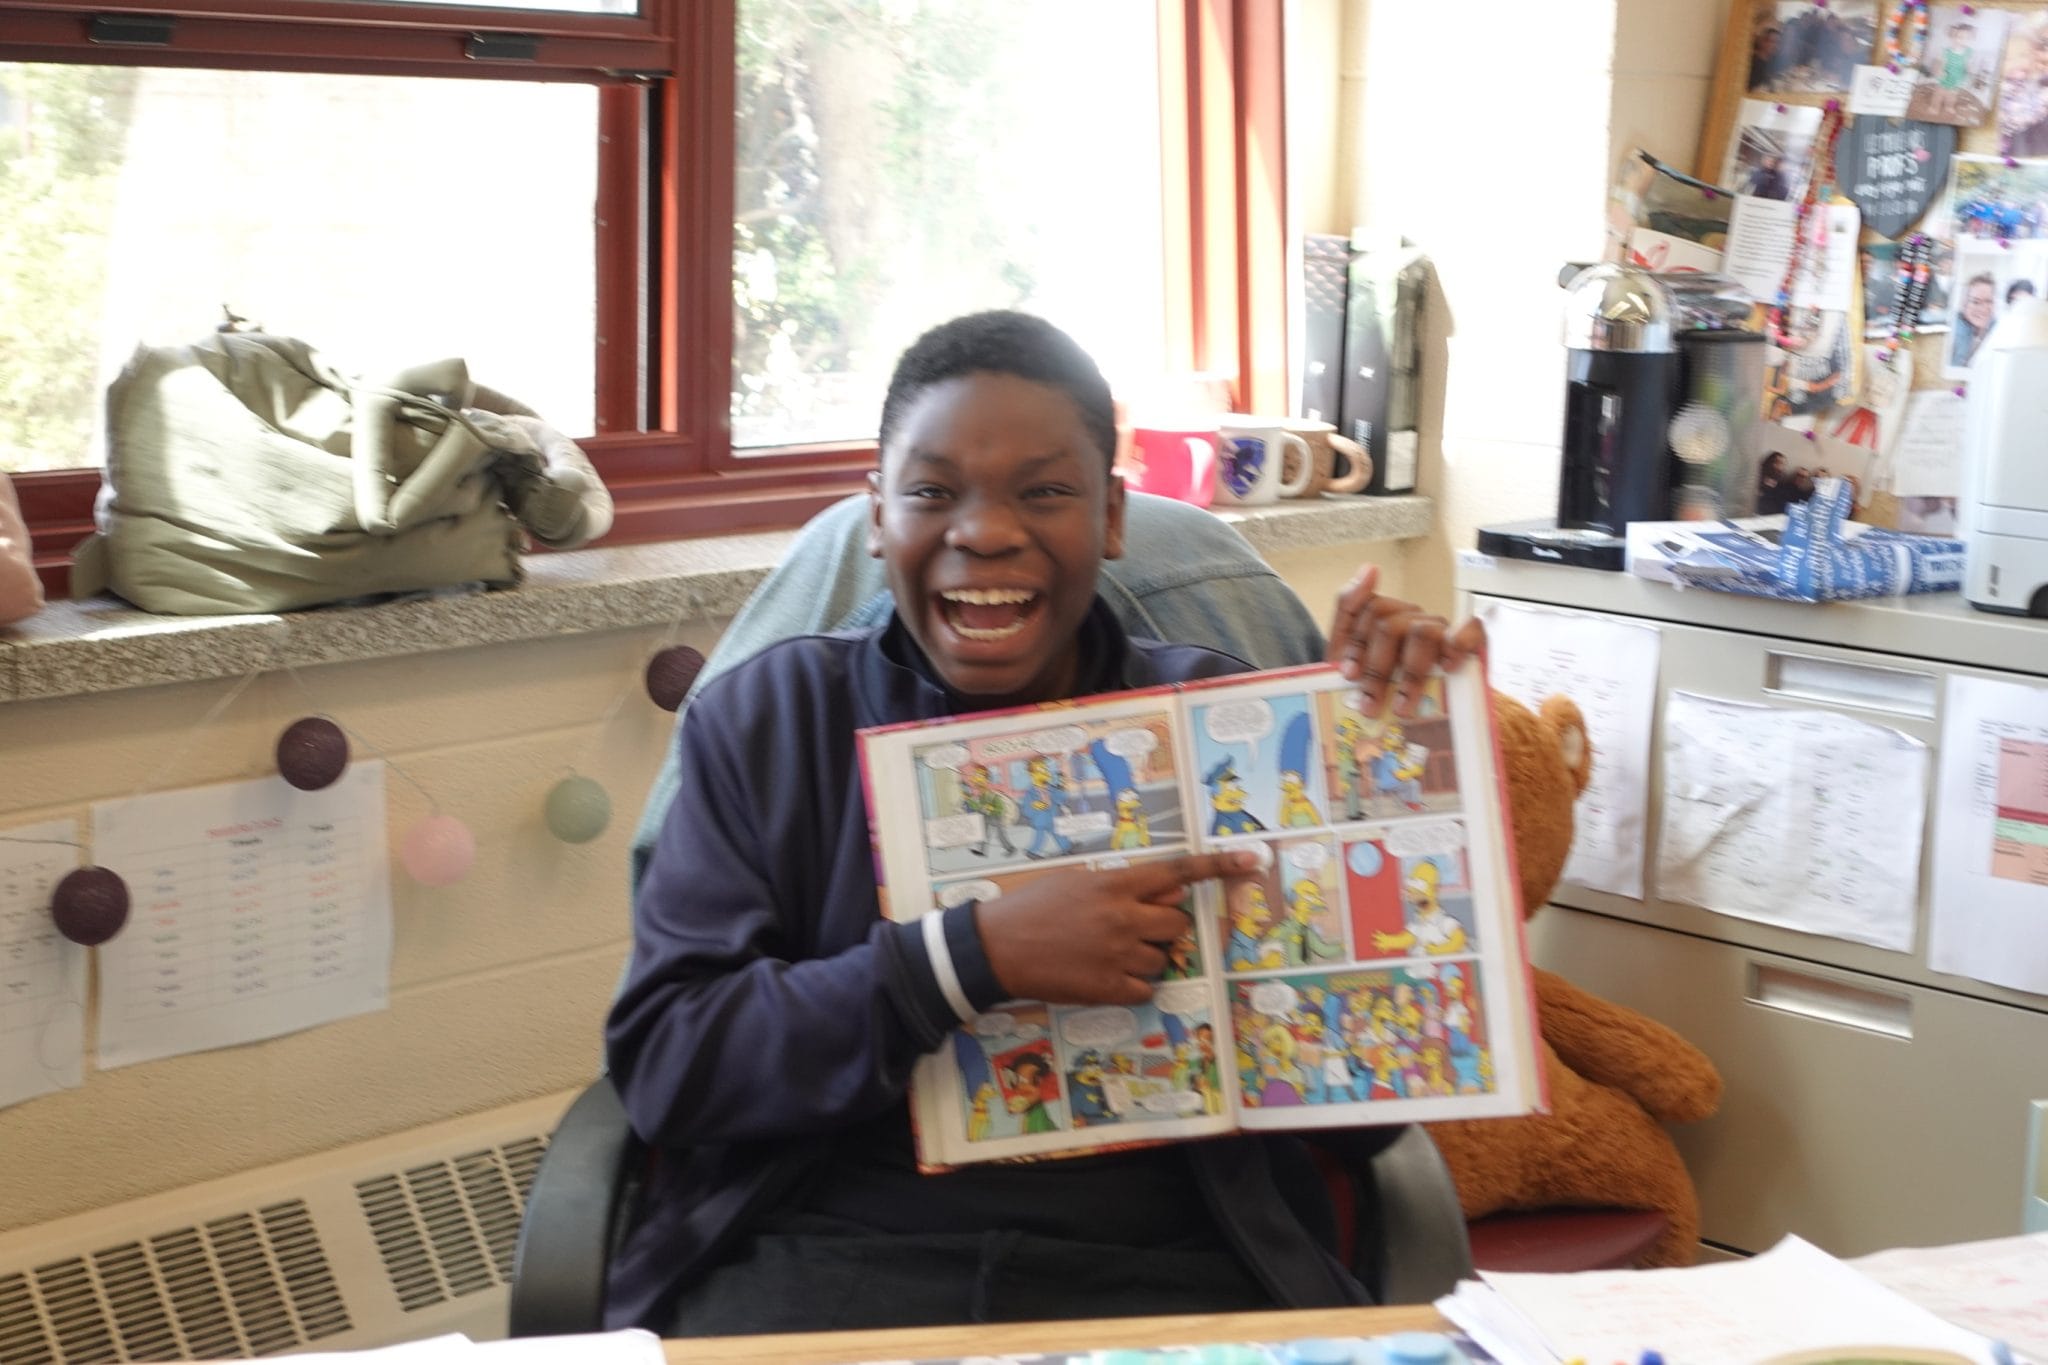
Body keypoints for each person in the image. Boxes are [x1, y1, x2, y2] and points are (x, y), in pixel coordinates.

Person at [605, 310, 1485, 1336]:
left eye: (1044, 492)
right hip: (823, 1270)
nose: (984, 531)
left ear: (1111, 518)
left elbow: (1372, 1125)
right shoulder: (766, 722)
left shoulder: (1221, 724)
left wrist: (1373, 774)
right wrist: (965, 957)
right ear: (876, 516)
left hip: (1178, 1281)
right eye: (932, 492)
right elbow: (668, 1066)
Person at [1953, 271, 1998, 369]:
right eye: (1975, 302)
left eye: (1989, 301)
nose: (1983, 308)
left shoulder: (1999, 330)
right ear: (1963, 303)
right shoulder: (1953, 329)